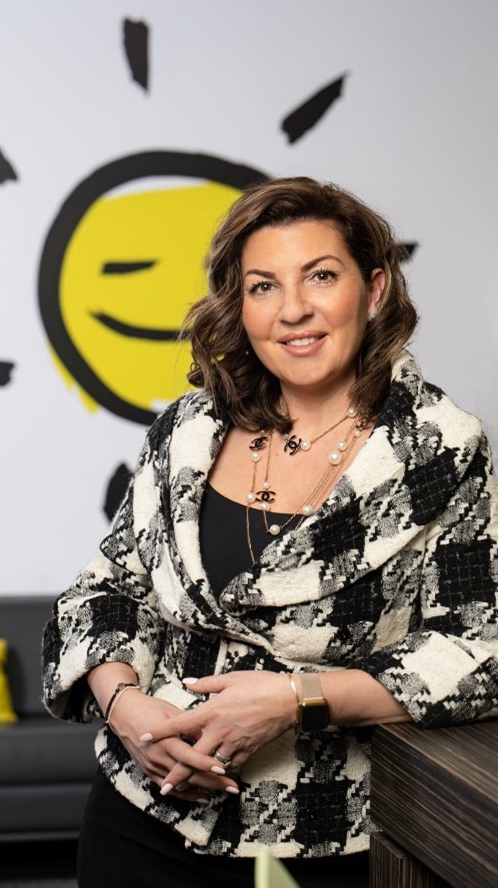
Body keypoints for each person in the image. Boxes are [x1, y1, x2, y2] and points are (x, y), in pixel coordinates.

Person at [42, 177, 498, 888]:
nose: (293, 310)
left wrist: (298, 699)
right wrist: (124, 706)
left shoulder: (440, 450)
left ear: (374, 290)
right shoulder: (190, 428)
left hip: (320, 841)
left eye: (321, 275)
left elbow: (479, 651)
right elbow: (108, 588)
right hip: (140, 815)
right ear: (240, 306)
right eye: (263, 286)